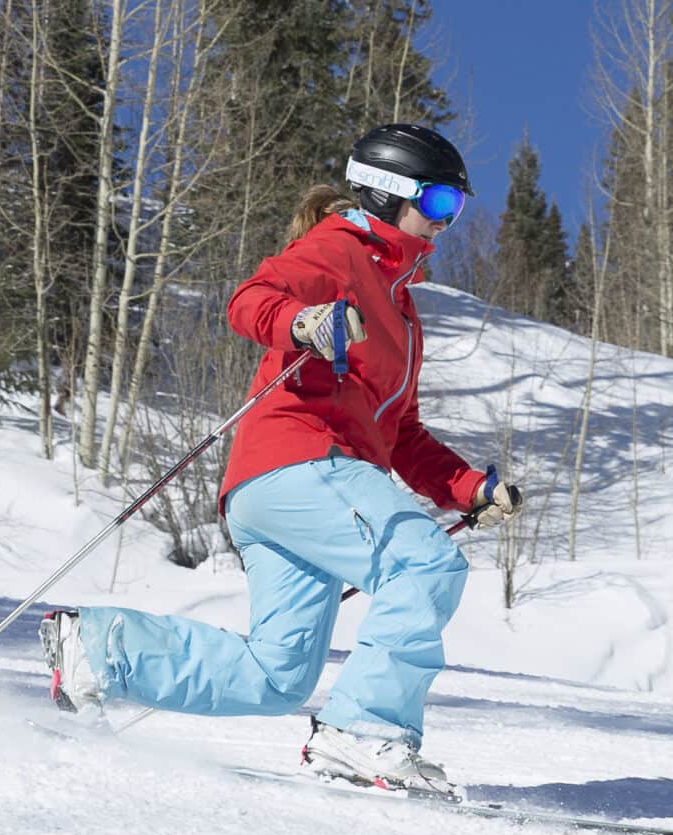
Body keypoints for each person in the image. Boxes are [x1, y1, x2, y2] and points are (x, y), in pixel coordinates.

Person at [38, 124, 522, 792]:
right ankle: (365, 731)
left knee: (277, 673)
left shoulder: (402, 311)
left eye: (456, 210)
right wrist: (304, 324)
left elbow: (401, 434)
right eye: (438, 204)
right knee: (423, 561)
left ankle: (97, 650)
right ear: (387, 195)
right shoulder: (341, 248)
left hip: (292, 492)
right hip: (303, 460)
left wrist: (470, 487)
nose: (446, 224)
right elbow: (251, 300)